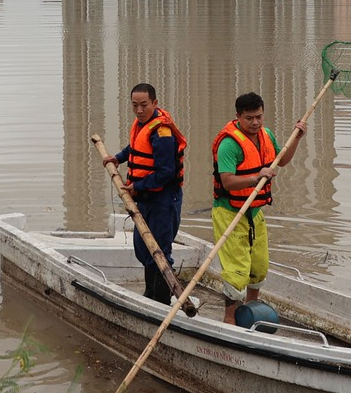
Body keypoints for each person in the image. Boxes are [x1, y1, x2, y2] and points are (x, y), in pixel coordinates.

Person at [210, 91, 307, 324]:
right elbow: (228, 181)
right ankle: (230, 318)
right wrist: (255, 177)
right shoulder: (229, 144)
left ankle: (251, 311)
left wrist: (296, 139)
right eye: (249, 118)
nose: (255, 123)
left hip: (254, 211)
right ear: (238, 116)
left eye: (259, 117)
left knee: (259, 266)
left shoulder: (266, 135)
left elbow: (281, 160)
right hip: (230, 212)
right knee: (236, 271)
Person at [112, 82, 186, 303]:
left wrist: (138, 186)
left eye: (144, 105)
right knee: (143, 248)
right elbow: (133, 148)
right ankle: (149, 294)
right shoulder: (140, 124)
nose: (139, 110)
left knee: (159, 252)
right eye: (135, 105)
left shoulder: (162, 133)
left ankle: (160, 301)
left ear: (154, 103)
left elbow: (166, 172)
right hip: (144, 198)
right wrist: (117, 158)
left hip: (162, 199)